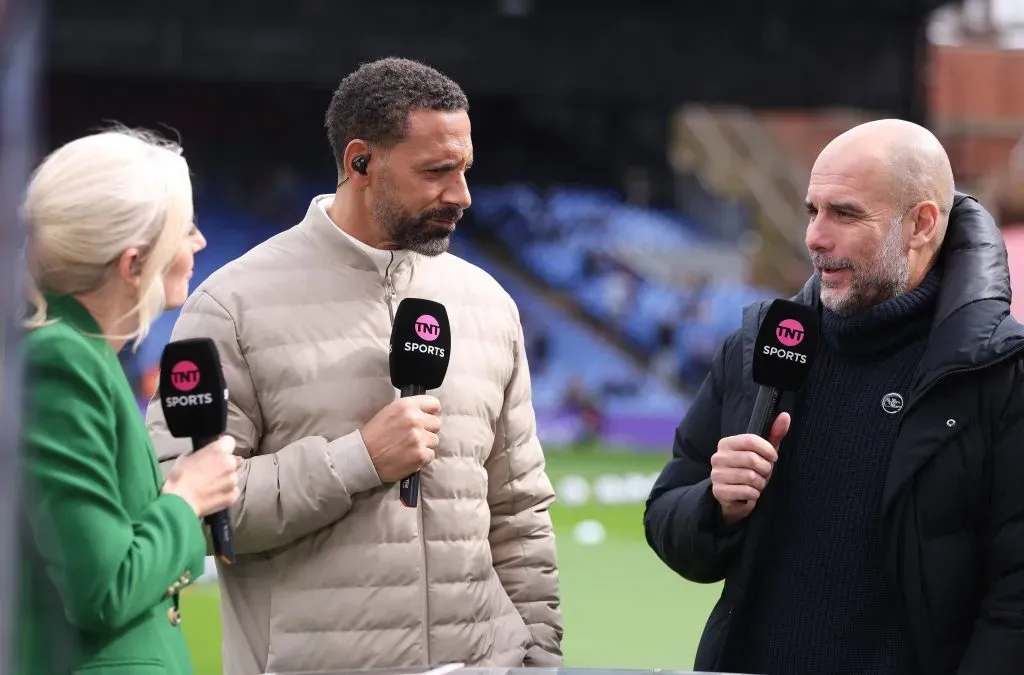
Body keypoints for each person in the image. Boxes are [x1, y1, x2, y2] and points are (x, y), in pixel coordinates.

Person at [145, 57, 563, 675]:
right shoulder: (233, 306)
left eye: (465, 170)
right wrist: (358, 459)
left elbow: (519, 510)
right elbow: (188, 515)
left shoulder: (488, 305)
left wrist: (538, 657)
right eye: (436, 171)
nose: (462, 195)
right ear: (360, 161)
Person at [644, 118, 1024, 675]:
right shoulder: (757, 347)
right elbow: (666, 518)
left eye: (844, 213)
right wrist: (717, 507)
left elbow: (1015, 597)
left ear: (920, 225)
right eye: (812, 210)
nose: (815, 237)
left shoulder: (1000, 373)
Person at [17, 128, 242, 674]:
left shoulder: (86, 357)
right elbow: (104, 588)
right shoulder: (61, 361)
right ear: (134, 263)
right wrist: (187, 497)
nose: (200, 243)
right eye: (183, 230)